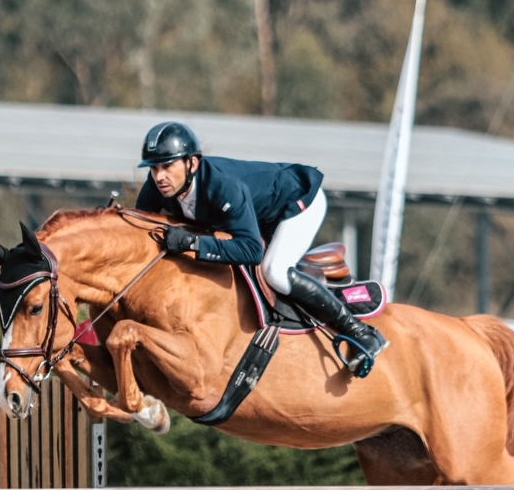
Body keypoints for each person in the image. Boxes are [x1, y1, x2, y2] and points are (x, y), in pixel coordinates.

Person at [134, 121, 388, 373]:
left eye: (167, 166)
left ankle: (360, 332)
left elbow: (252, 251)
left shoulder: (222, 187)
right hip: (260, 215)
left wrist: (193, 243)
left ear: (193, 163)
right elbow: (136, 226)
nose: (159, 177)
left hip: (296, 203)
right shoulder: (158, 186)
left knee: (274, 271)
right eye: (153, 168)